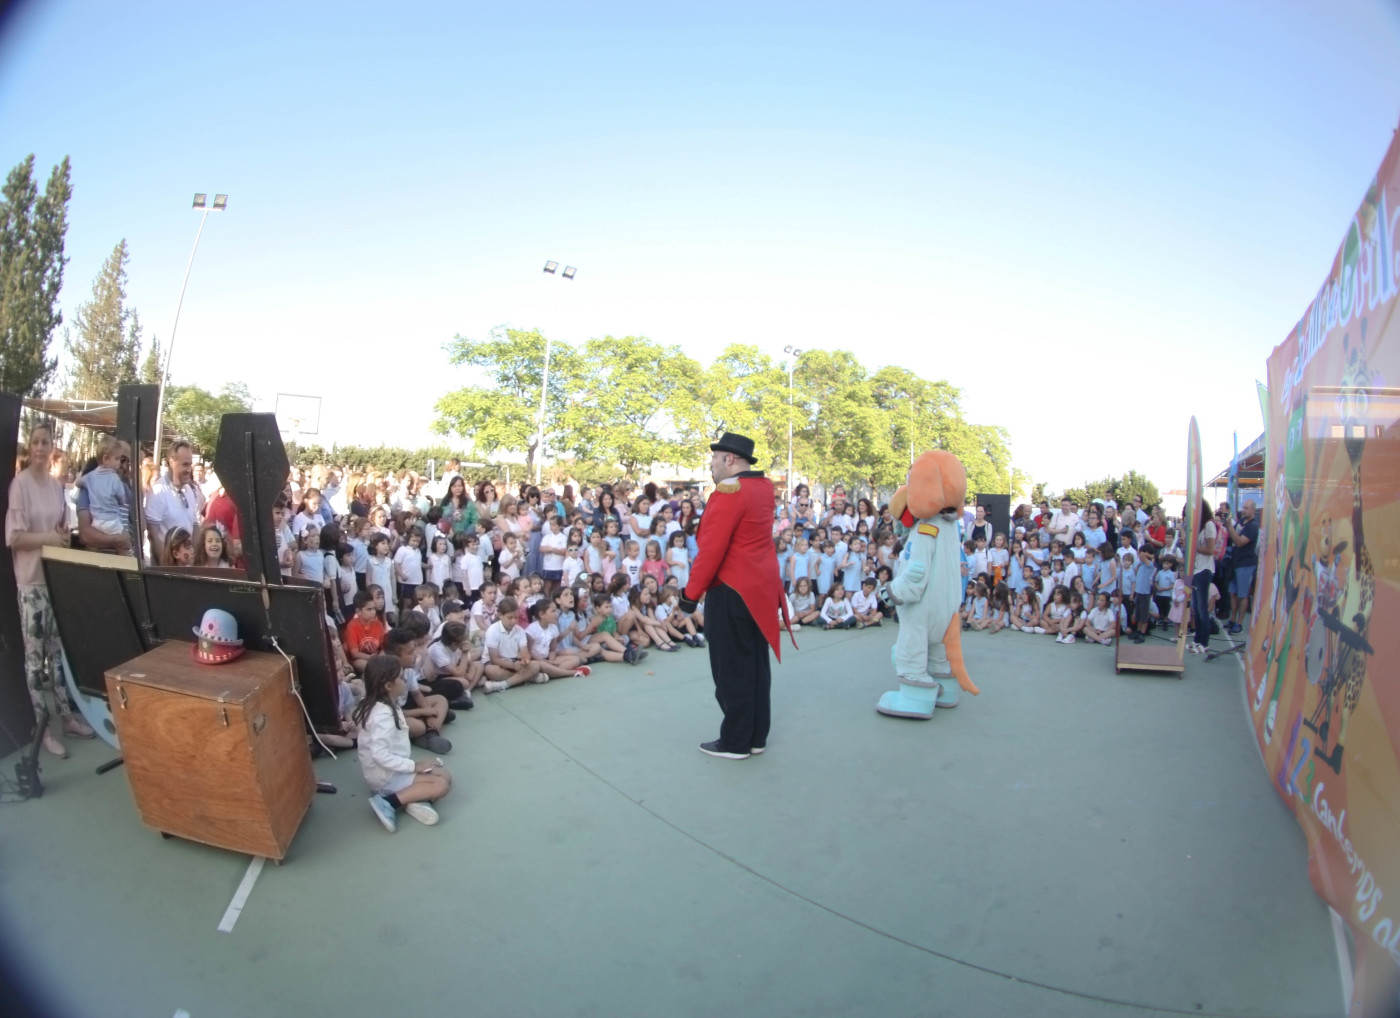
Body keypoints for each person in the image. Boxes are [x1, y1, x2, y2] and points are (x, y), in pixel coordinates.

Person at [678, 432, 786, 761]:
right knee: (754, 664)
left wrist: (689, 596)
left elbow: (711, 551)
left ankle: (736, 741)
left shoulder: (729, 491)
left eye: (714, 458)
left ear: (729, 459)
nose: (710, 465)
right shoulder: (764, 488)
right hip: (760, 589)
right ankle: (755, 737)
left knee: (731, 668)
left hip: (731, 590)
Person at [6, 421, 97, 757]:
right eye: (35, 441)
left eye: (45, 442)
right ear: (30, 446)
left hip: (52, 580)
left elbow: (62, 529)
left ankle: (66, 717)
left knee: (55, 655)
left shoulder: (57, 487)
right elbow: (13, 538)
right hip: (30, 582)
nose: (40, 448)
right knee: (34, 661)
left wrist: (60, 541)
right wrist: (48, 539)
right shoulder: (19, 485)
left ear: (52, 447)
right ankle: (42, 729)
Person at [353, 654, 452, 832]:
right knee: (441, 785)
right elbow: (380, 755)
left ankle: (411, 799)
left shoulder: (383, 703)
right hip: (386, 777)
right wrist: (414, 766)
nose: (404, 679)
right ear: (388, 686)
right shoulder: (383, 717)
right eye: (400, 677)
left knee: (445, 775)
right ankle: (387, 801)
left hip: (392, 770)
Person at [144, 439, 202, 558]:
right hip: (168, 567)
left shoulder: (189, 490)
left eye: (190, 464)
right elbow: (153, 537)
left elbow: (195, 526)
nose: (189, 470)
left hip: (186, 566)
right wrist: (167, 569)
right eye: (185, 464)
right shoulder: (158, 491)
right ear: (171, 461)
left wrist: (196, 561)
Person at [1221, 500, 1258, 635]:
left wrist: (1230, 527)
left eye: (1247, 508)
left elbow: (1240, 541)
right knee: (1233, 593)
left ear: (1253, 510)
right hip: (1235, 563)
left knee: (1243, 595)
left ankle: (1239, 623)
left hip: (1246, 564)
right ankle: (1232, 619)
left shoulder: (1252, 527)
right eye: (1243, 507)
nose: (1244, 510)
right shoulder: (1241, 522)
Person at [1189, 501, 1218, 654]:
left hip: (1205, 570)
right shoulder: (1199, 528)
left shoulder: (1209, 526)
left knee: (1202, 608)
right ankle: (1197, 639)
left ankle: (1204, 642)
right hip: (1196, 569)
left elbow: (1211, 549)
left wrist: (1193, 547)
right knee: (1195, 607)